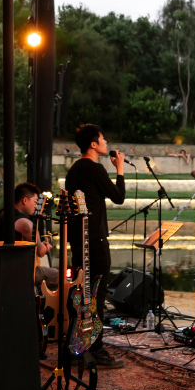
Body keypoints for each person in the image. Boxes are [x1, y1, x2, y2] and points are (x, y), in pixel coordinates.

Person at [65, 124, 127, 369]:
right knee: (97, 296)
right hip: (95, 242)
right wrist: (119, 168)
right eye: (103, 138)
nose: (106, 142)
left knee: (82, 294)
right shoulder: (94, 168)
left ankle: (76, 348)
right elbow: (118, 196)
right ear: (93, 144)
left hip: (78, 241)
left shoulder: (74, 170)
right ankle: (96, 350)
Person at [0, 182, 59, 289]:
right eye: (35, 201)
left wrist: (38, 243)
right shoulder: (16, 217)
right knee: (58, 276)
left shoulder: (5, 213)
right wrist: (44, 247)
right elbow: (38, 247)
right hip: (8, 273)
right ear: (25, 200)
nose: (36, 205)